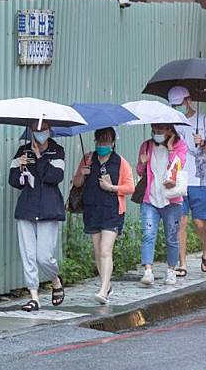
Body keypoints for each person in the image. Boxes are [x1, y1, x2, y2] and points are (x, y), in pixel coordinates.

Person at [72, 127, 135, 304]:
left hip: (112, 211)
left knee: (106, 250)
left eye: (106, 141)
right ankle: (106, 285)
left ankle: (103, 290)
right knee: (98, 251)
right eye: (100, 141)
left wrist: (112, 188)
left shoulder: (120, 162)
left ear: (113, 143)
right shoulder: (88, 159)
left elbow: (130, 187)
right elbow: (76, 183)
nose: (103, 145)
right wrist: (81, 174)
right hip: (92, 209)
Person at [8, 121, 65, 312]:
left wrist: (39, 157)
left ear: (49, 131)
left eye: (42, 130)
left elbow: (55, 177)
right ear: (30, 131)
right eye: (35, 130)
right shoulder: (22, 151)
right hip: (27, 209)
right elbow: (14, 181)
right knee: (28, 256)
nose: (39, 133)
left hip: (49, 209)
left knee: (44, 257)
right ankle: (34, 296)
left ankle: (55, 280)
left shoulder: (57, 151)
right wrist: (21, 169)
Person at [169, 86, 206, 276]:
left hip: (200, 179)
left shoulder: (204, 120)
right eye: (173, 105)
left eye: (179, 104)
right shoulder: (172, 122)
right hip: (179, 179)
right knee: (180, 222)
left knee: (199, 222)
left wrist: (203, 143)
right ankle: (182, 264)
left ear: (188, 101)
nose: (177, 108)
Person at [136, 123, 188, 286]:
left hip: (171, 200)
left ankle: (171, 270)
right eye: (154, 130)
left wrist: (171, 149)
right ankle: (148, 271)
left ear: (169, 131)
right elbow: (139, 171)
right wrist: (142, 163)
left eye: (160, 130)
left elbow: (178, 167)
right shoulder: (146, 145)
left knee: (172, 237)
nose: (157, 133)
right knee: (148, 235)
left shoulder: (180, 146)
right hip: (150, 198)